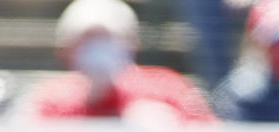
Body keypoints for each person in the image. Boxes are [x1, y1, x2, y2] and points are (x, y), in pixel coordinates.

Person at [17, 0, 215, 125]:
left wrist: (173, 129)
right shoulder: (50, 99)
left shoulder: (168, 89)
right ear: (66, 50)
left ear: (131, 43)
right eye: (88, 39)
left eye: (108, 38)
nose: (99, 47)